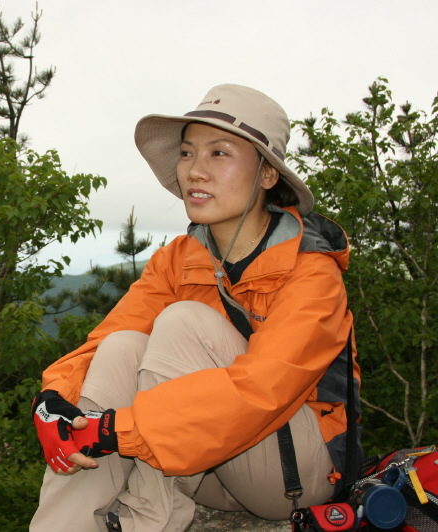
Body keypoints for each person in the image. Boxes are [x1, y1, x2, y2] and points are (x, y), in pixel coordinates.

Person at [29, 84, 361, 532]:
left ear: (267, 176)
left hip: (290, 474)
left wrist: (116, 430)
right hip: (206, 470)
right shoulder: (178, 258)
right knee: (124, 346)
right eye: (187, 154)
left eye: (219, 154)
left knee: (183, 321)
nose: (194, 172)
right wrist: (56, 398)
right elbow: (109, 337)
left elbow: (261, 391)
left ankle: (149, 520)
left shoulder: (311, 272)